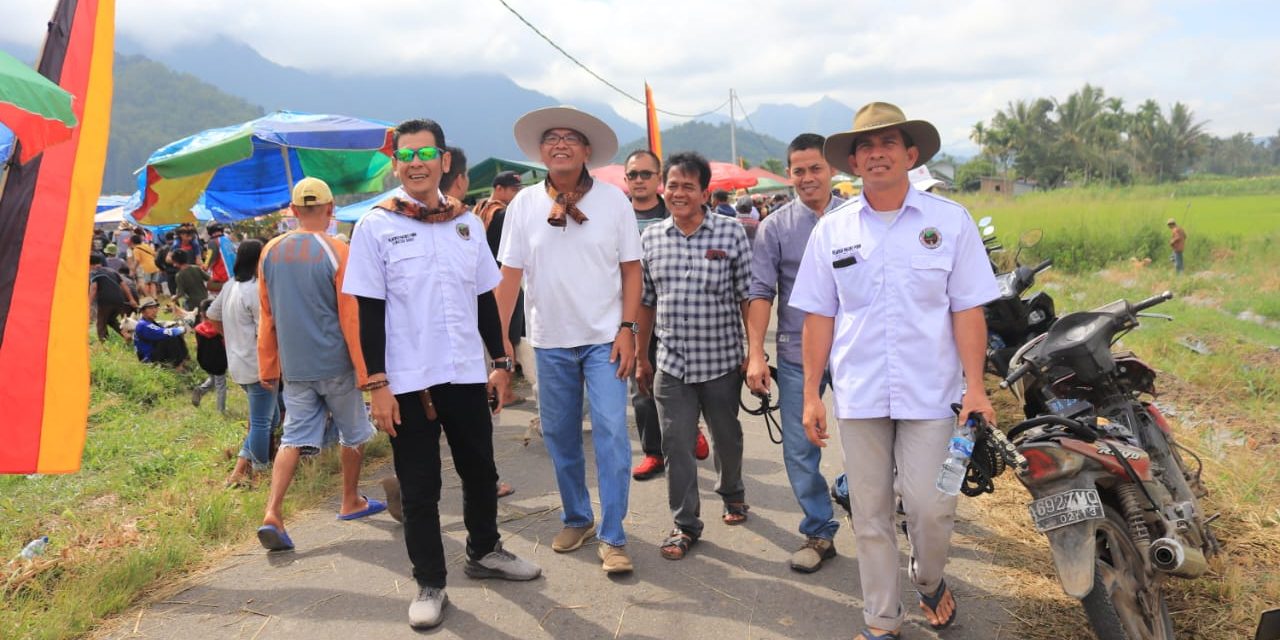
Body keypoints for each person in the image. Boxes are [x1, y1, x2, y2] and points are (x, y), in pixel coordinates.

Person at [790, 102, 999, 639]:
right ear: (854, 163)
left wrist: (976, 387)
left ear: (910, 155)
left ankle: (928, 577)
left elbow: (968, 309)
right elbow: (819, 316)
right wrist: (812, 394)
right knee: (871, 515)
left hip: (934, 396)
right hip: (859, 396)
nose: (876, 153)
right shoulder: (832, 231)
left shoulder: (949, 222)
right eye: (865, 146)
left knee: (932, 508)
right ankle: (882, 620)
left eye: (888, 144)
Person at [344, 119, 541, 630]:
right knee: (419, 487)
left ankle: (484, 551)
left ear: (444, 161)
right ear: (395, 164)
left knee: (481, 472)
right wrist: (377, 384)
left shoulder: (466, 223)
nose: (415, 163)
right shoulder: (376, 225)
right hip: (407, 383)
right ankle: (430, 581)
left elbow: (482, 300)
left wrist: (500, 365)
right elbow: (367, 311)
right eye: (405, 155)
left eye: (425, 153)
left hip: (464, 375)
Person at [495, 105, 642, 574]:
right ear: (541, 151)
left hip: (604, 339)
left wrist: (628, 329)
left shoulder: (614, 201)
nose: (560, 144)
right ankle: (577, 516)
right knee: (559, 436)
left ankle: (614, 536)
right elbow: (509, 279)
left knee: (613, 435)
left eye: (570, 138)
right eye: (551, 138)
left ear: (586, 150)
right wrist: (498, 350)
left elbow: (631, 270)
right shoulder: (522, 206)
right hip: (550, 341)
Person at [255, 177, 385, 554]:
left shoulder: (270, 252)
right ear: (331, 210)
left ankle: (272, 513)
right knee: (354, 432)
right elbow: (351, 317)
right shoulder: (338, 250)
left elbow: (268, 316)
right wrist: (368, 373)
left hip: (295, 368)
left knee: (293, 438)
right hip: (337, 363)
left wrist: (269, 366)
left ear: (294, 211)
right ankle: (350, 500)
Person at [634, 152, 752, 560]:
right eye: (673, 185)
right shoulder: (650, 239)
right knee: (676, 444)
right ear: (662, 189)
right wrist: (640, 356)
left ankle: (733, 493)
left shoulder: (730, 233)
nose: (679, 193)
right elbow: (645, 303)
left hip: (721, 361)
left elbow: (747, 297)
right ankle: (685, 524)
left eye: (688, 186)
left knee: (726, 436)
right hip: (671, 363)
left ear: (704, 192)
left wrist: (754, 355)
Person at [744, 133, 847, 573]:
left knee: (875, 440)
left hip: (856, 350)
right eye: (799, 170)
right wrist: (754, 354)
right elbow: (761, 291)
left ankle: (872, 505)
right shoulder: (775, 227)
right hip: (794, 351)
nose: (807, 178)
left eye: (815, 168)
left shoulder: (858, 218)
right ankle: (819, 531)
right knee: (800, 447)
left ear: (832, 171)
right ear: (790, 174)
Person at [623, 150, 709, 481]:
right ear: (626, 180)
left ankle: (691, 429)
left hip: (678, 315)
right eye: (634, 175)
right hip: (633, 312)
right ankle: (653, 452)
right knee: (641, 386)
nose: (640, 180)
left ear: (659, 179)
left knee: (687, 383)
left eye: (647, 174)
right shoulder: (616, 215)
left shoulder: (676, 208)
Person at [207, 239, 278, 488]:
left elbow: (212, 315)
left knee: (272, 418)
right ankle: (260, 471)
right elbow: (266, 331)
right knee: (261, 422)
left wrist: (231, 336)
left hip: (238, 363)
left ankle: (241, 467)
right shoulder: (256, 289)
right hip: (259, 364)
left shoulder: (229, 286)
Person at [192, 299, 229, 414]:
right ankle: (221, 411)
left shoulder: (198, 329)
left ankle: (200, 390)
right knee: (221, 385)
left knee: (213, 379)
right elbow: (225, 343)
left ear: (202, 313)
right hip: (219, 361)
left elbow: (199, 346)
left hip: (204, 360)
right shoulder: (220, 327)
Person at [89, 253, 137, 342]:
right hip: (119, 300)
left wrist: (88, 304)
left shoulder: (94, 272)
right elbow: (124, 285)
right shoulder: (112, 271)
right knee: (111, 320)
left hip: (105, 301)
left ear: (90, 264)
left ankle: (104, 344)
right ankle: (125, 334)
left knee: (101, 323)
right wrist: (131, 299)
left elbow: (94, 288)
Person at [132, 297, 189, 368]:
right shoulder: (143, 325)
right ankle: (177, 366)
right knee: (171, 337)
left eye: (155, 307)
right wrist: (182, 329)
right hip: (148, 359)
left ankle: (183, 362)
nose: (154, 310)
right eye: (150, 308)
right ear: (143, 311)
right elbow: (165, 333)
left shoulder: (148, 322)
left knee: (175, 335)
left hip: (153, 353)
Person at [205, 223, 237, 294]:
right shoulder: (228, 240)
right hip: (234, 274)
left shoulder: (213, 242)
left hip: (223, 277)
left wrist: (204, 267)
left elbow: (210, 259)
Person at [129, 233, 160, 298]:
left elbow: (137, 260)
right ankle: (154, 297)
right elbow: (155, 254)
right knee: (153, 283)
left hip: (146, 268)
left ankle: (148, 298)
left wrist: (133, 270)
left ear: (132, 242)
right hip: (155, 267)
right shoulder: (146, 245)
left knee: (146, 284)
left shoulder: (136, 249)